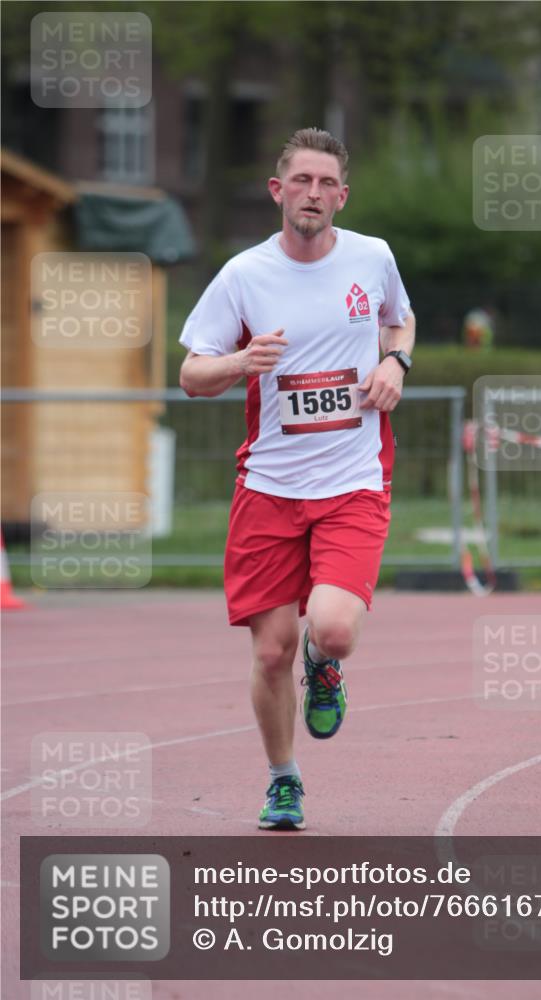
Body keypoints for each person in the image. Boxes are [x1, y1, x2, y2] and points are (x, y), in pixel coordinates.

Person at [179, 127, 415, 831]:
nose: (313, 193)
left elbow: (399, 321)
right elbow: (192, 373)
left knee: (332, 631)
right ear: (277, 190)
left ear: (342, 196)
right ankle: (284, 782)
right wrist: (239, 362)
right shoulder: (243, 275)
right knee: (271, 650)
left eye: (326, 183)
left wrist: (395, 363)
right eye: (302, 181)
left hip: (352, 480)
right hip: (269, 488)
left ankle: (326, 662)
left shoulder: (372, 257)